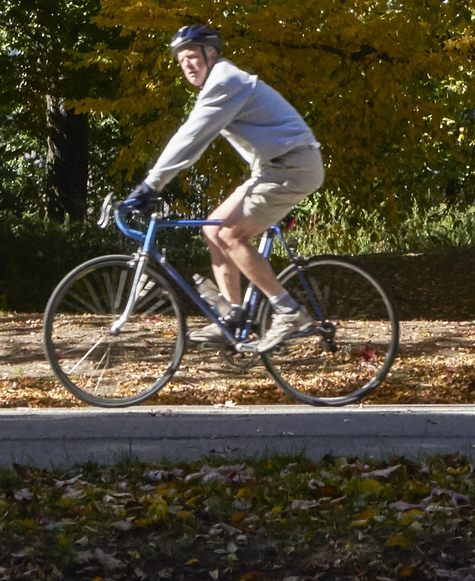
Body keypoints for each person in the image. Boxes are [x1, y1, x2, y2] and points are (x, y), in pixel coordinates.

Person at [124, 24, 325, 354]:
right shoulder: (219, 86)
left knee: (232, 235)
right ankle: (233, 317)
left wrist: (151, 184)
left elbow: (192, 137)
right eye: (181, 60)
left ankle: (288, 311)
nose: (187, 64)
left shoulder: (226, 81)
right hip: (274, 167)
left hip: (293, 166)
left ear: (211, 54)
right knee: (213, 229)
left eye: (192, 56)